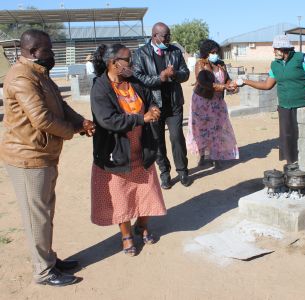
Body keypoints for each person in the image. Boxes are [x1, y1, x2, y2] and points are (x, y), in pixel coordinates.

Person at [0, 29, 95, 286]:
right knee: (37, 216)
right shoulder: (21, 77)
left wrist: (82, 121)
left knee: (44, 212)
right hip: (27, 157)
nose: (52, 54)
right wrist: (75, 130)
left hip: (42, 155)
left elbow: (60, 106)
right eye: (48, 50)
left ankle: (49, 259)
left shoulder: (39, 74)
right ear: (32, 52)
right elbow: (41, 118)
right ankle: (43, 271)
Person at [90, 44, 166, 257]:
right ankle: (126, 235)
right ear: (114, 63)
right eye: (128, 60)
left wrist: (153, 108)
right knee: (121, 196)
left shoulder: (134, 81)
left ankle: (141, 226)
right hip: (117, 151)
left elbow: (150, 100)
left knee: (147, 191)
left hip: (141, 147)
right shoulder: (100, 87)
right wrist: (142, 118)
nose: (132, 64)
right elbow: (108, 120)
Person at [235, 35, 305, 164]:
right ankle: (292, 165)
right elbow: (267, 85)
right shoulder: (275, 65)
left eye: (275, 49)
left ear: (284, 49)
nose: (273, 52)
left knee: (304, 135)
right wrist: (245, 82)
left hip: (302, 105)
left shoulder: (302, 58)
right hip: (284, 106)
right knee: (288, 137)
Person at [133, 22, 191, 189]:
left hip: (174, 103)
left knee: (176, 137)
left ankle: (182, 171)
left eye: (169, 36)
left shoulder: (175, 51)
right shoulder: (141, 53)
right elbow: (138, 78)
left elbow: (185, 73)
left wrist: (175, 74)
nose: (168, 39)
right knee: (157, 141)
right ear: (154, 36)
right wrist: (161, 77)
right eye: (165, 36)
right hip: (153, 105)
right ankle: (165, 173)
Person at [186, 39, 239, 168]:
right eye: (212, 52)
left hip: (217, 102)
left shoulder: (221, 64)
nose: (215, 54)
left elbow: (227, 79)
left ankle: (216, 156)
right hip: (202, 102)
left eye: (216, 52)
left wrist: (233, 85)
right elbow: (204, 82)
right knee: (202, 129)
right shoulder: (200, 64)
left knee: (217, 128)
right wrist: (223, 86)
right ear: (206, 53)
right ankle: (202, 156)